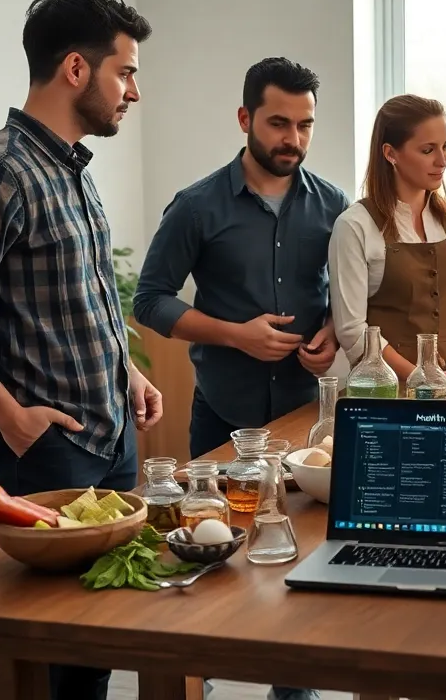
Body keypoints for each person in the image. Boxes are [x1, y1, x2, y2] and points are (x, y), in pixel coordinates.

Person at [0, 0, 161, 700]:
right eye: (125, 72)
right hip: (43, 447)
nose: (133, 91)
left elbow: (79, 299)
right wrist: (11, 417)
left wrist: (127, 373)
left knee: (95, 644)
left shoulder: (71, 169)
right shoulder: (1, 171)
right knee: (48, 660)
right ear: (76, 69)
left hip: (107, 436)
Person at [133, 58, 347, 467]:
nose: (293, 139)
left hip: (307, 415)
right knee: (218, 528)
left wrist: (333, 332)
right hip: (222, 416)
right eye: (279, 123)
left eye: (305, 125)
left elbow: (352, 292)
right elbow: (150, 300)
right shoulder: (195, 207)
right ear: (245, 118)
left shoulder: (334, 205)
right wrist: (236, 335)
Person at [329, 94, 446, 397]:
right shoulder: (355, 226)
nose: (442, 159)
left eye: (445, 146)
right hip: (384, 397)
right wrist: (419, 377)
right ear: (391, 153)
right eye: (428, 150)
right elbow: (352, 330)